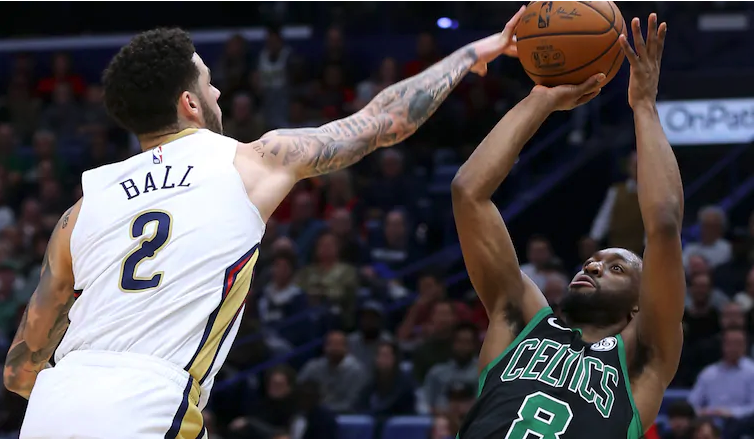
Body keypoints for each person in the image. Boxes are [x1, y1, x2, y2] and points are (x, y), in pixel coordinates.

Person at [2, 22, 519, 438]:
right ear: (190, 102)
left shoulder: (82, 207)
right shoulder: (249, 162)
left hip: (53, 403)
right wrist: (472, 54)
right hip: (149, 401)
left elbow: (19, 368)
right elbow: (382, 121)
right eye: (208, 81)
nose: (219, 89)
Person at [454, 13, 684, 438]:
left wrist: (644, 106)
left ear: (640, 304)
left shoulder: (641, 360)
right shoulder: (521, 321)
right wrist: (541, 98)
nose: (593, 267)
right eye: (594, 262)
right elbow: (469, 192)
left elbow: (665, 225)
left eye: (616, 268)